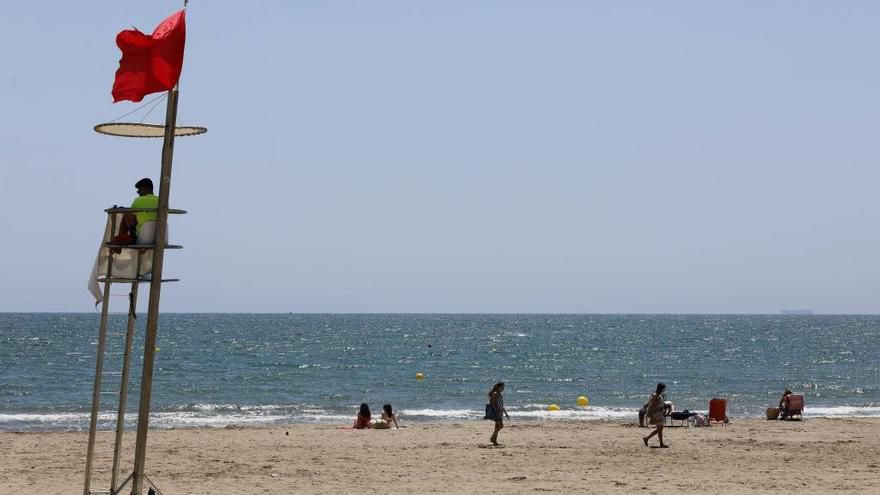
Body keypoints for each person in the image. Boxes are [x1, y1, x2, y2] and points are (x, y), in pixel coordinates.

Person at [112, 178, 159, 245]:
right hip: (161, 236)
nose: (138, 192)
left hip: (143, 236)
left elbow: (131, 218)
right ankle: (122, 238)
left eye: (139, 189)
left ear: (145, 188)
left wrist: (125, 210)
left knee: (127, 214)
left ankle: (121, 238)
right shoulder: (161, 200)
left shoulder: (138, 200)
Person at [642, 383, 668, 448]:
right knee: (660, 429)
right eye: (664, 388)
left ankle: (647, 439)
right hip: (657, 413)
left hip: (659, 413)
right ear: (661, 388)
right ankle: (660, 443)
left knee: (660, 429)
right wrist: (652, 414)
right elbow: (652, 405)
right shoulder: (655, 395)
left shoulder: (657, 395)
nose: (664, 390)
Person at [487, 381, 510, 446]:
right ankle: (492, 438)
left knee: (497, 426)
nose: (503, 389)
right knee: (501, 426)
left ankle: (494, 441)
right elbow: (493, 404)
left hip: (500, 412)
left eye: (503, 387)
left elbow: (501, 406)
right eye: (502, 387)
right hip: (496, 412)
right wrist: (496, 412)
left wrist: (506, 413)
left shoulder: (500, 395)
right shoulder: (495, 394)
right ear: (498, 387)